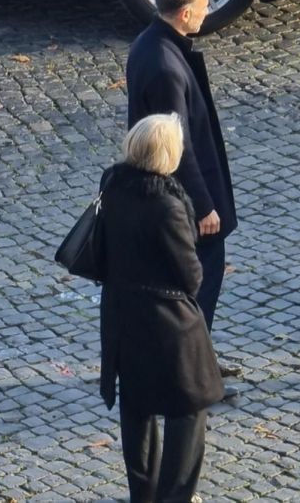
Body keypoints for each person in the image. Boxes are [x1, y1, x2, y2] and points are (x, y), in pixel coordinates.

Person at [125, 0, 241, 398]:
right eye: (205, 6)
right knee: (196, 289)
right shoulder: (166, 65)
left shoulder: (151, 45)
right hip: (185, 201)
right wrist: (203, 206)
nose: (208, 12)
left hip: (175, 195)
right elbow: (181, 147)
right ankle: (191, 374)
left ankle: (200, 360)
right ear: (186, 13)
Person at [98, 113, 223, 503]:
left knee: (137, 407)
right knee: (189, 407)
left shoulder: (112, 184)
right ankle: (175, 495)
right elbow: (190, 276)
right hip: (168, 323)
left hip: (123, 315)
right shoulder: (168, 205)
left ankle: (144, 494)